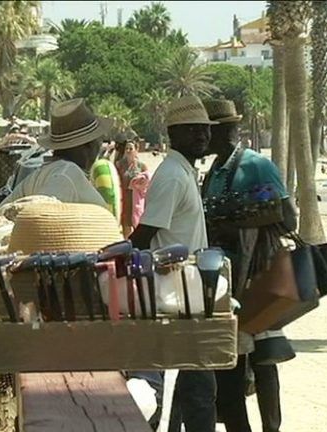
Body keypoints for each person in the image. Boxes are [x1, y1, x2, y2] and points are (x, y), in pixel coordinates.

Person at [201, 99, 295, 432]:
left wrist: (238, 225)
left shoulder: (257, 165)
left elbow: (289, 219)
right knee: (230, 364)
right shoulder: (213, 171)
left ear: (220, 131)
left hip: (258, 275)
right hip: (226, 280)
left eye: (205, 131)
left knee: (264, 358)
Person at [130, 95, 217, 432]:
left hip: (188, 290)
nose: (202, 135)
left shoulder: (182, 171)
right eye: (192, 130)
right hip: (174, 293)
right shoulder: (171, 176)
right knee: (192, 390)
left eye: (205, 129)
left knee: (192, 389)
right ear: (173, 134)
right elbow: (145, 234)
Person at [0, 98, 112, 215]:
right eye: (98, 141)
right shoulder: (65, 174)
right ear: (89, 145)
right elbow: (43, 215)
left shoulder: (44, 173)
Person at [114, 131, 149, 236]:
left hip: (136, 198)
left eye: (131, 148)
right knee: (125, 223)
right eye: (127, 148)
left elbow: (147, 182)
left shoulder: (142, 166)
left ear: (136, 150)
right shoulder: (119, 164)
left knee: (137, 221)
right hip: (124, 197)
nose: (128, 151)